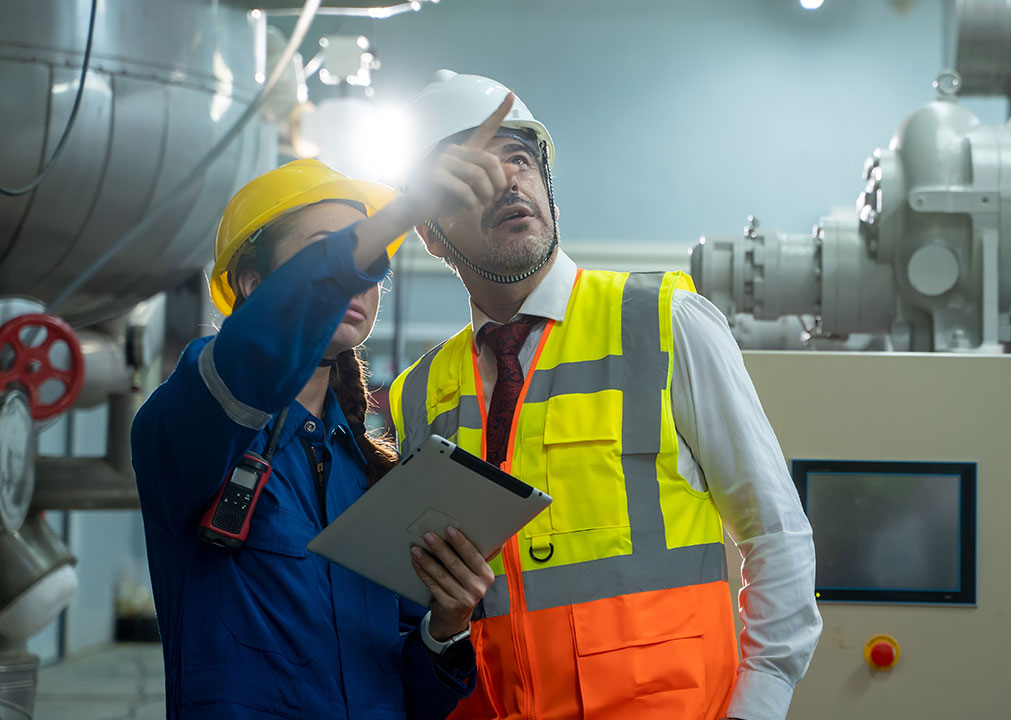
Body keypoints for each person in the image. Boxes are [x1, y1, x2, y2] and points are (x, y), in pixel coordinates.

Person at [388, 70, 822, 720]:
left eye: (520, 158)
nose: (509, 181)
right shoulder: (417, 394)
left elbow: (776, 535)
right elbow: (429, 606)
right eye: (475, 175)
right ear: (429, 234)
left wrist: (756, 707)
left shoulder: (666, 323)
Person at [132, 112, 518, 719]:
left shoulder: (368, 475)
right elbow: (256, 352)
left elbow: (403, 692)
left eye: (371, 264)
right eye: (333, 256)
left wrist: (445, 627)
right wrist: (401, 209)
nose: (361, 280)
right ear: (255, 285)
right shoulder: (193, 425)